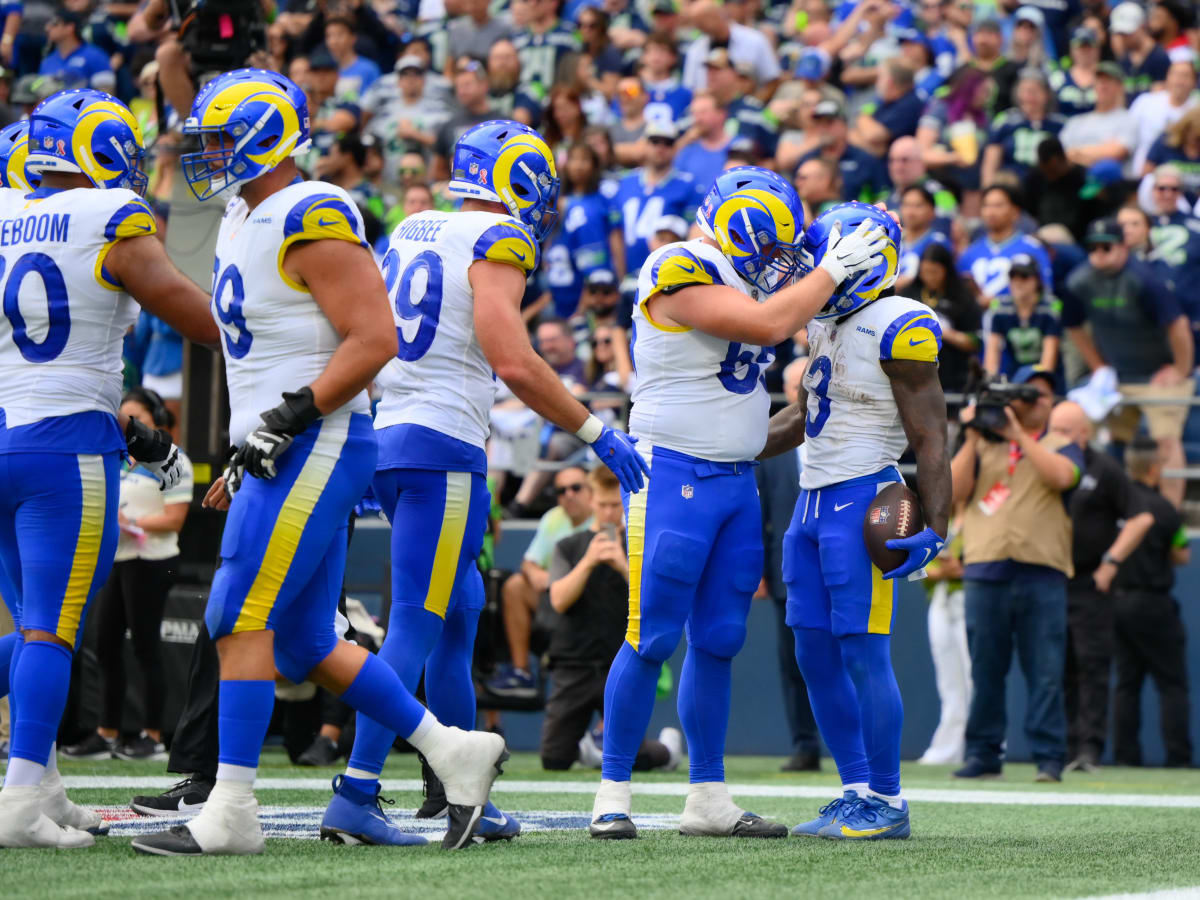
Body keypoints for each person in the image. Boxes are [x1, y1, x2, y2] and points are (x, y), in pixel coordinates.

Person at [132, 69, 510, 857]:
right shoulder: (246, 213)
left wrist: (289, 416)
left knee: (236, 616)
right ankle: (452, 749)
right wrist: (252, 439)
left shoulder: (314, 210)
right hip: (282, 444)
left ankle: (232, 809)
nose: (205, 153)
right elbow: (252, 344)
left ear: (266, 134)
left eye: (218, 136)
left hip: (318, 440)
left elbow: (375, 340)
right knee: (304, 641)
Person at [327, 119, 647, 843]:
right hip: (443, 444)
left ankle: (454, 790)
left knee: (461, 611)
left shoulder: (412, 226)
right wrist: (596, 430)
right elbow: (516, 359)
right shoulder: (495, 239)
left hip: (393, 434)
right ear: (515, 176)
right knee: (415, 621)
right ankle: (357, 790)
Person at [589, 171, 889, 840]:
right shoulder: (679, 264)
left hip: (735, 483)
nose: (781, 261)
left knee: (720, 640)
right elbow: (766, 321)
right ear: (741, 223)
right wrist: (832, 269)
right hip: (672, 476)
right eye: (774, 244)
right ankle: (612, 791)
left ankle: (707, 796)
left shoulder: (747, 274)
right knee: (651, 637)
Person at [0, 87, 218, 850]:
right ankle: (20, 797)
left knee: (36, 625)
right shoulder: (109, 216)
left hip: (4, 434)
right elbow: (190, 313)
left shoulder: (3, 209)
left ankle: (45, 781)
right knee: (52, 632)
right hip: (64, 443)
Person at [754, 202, 949, 840]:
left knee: (864, 651)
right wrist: (728, 441)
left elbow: (931, 436)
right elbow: (803, 417)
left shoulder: (902, 322)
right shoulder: (823, 321)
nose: (813, 272)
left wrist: (937, 525)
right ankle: (855, 790)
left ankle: (888, 802)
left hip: (864, 497)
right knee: (812, 653)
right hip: (810, 501)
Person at [951, 366, 1083, 783]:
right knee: (986, 670)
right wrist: (973, 437)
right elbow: (951, 492)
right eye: (1028, 393)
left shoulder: (1063, 444)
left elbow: (1062, 478)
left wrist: (1018, 437)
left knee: (1045, 672)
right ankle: (982, 754)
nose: (1034, 401)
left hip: (1042, 573)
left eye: (1042, 395)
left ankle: (1048, 757)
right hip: (986, 570)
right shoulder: (983, 444)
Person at [61, 388, 194, 764]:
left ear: (157, 422)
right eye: (126, 420)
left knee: (146, 646)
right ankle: (107, 733)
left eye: (138, 420)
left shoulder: (175, 461)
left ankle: (152, 735)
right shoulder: (118, 460)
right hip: (117, 560)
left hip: (153, 561)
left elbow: (175, 519)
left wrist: (130, 523)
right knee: (104, 645)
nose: (130, 427)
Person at [542, 466, 677, 773]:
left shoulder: (638, 545)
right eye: (602, 505)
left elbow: (653, 598)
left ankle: (668, 750)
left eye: (615, 505)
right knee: (554, 760)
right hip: (573, 666)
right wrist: (589, 561)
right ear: (591, 501)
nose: (607, 512)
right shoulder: (568, 546)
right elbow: (558, 600)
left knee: (637, 760)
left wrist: (621, 563)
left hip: (619, 664)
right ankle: (592, 748)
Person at [1047, 402, 1153, 773]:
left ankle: (1089, 748)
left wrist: (1111, 562)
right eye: (1053, 428)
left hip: (1089, 580)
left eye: (1065, 429)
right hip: (1049, 579)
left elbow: (1141, 516)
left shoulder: (1104, 467)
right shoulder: (1043, 464)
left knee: (1091, 665)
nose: (1057, 436)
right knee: (1054, 667)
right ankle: (1058, 747)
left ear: (1084, 433)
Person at [1064, 217, 1194, 508]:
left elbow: (1178, 326)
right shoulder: (1078, 281)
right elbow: (1072, 325)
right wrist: (1097, 365)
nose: (1099, 252)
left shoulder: (1143, 280)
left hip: (1159, 374)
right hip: (1118, 375)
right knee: (1109, 439)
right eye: (1093, 247)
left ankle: (1169, 514)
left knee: (1165, 439)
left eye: (1107, 246)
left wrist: (1181, 369)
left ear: (1123, 247)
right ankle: (1115, 508)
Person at [1111, 436, 1193, 768]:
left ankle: (1125, 756)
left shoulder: (1117, 503)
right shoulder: (1163, 510)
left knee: (1126, 684)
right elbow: (1182, 553)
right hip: (1153, 604)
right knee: (1172, 684)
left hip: (1117, 603)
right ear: (1155, 467)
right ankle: (1178, 757)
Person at [755, 357, 819, 773]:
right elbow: (759, 513)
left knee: (852, 654)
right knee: (795, 658)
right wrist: (760, 570)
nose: (805, 397)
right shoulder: (771, 446)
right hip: (786, 570)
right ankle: (805, 744)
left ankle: (860, 747)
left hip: (838, 560)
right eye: (798, 387)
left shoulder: (844, 436)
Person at [489, 465, 596, 698]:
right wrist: (538, 575)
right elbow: (529, 562)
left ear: (591, 491)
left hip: (594, 611)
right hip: (555, 607)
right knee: (515, 586)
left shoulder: (603, 518)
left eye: (576, 488)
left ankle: (603, 733)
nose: (569, 495)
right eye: (561, 491)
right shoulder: (553, 518)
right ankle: (521, 672)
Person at [607, 119, 702, 286]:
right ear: (644, 144)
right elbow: (616, 233)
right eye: (655, 141)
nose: (660, 148)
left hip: (666, 278)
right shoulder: (625, 181)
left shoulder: (687, 185)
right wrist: (620, 277)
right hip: (627, 278)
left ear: (675, 148)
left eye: (668, 143)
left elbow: (692, 236)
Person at [958, 184, 1053, 304]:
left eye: (998, 205)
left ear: (1015, 211)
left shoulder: (1033, 249)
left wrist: (997, 303)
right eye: (986, 205)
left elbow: (1045, 294)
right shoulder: (970, 252)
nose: (990, 212)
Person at [909, 242, 981, 397]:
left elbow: (975, 341)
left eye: (935, 272)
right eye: (925, 271)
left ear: (946, 270)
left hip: (953, 377)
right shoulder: (909, 294)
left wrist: (943, 332)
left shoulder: (963, 298)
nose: (929, 277)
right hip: (914, 375)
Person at [983, 254, 1061, 379]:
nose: (1018, 282)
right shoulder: (1000, 309)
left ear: (1037, 280)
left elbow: (1048, 362)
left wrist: (1041, 382)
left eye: (1024, 276)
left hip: (1051, 379)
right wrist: (989, 381)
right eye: (1013, 276)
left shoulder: (1050, 309)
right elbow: (991, 354)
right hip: (1015, 375)